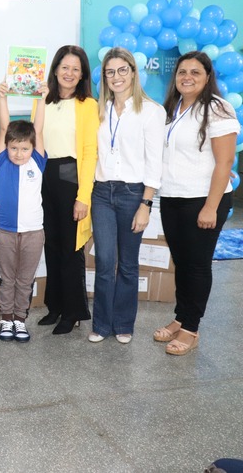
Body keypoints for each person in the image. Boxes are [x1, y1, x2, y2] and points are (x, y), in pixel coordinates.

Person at [155, 51, 239, 355]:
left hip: (203, 199)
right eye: (182, 72)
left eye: (195, 72)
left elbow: (225, 161)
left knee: (198, 265)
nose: (187, 78)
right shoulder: (172, 108)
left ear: (207, 77)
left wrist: (210, 206)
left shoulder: (218, 108)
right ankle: (181, 317)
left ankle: (191, 328)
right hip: (172, 196)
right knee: (182, 262)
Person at [89, 48, 165, 345]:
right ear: (104, 77)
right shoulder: (99, 109)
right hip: (102, 192)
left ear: (133, 72)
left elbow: (154, 162)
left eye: (122, 70)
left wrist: (145, 204)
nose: (116, 77)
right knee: (105, 261)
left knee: (129, 264)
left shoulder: (151, 111)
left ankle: (123, 324)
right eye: (110, 72)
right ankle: (101, 324)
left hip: (134, 193)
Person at [35, 45, 99, 334]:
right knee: (52, 244)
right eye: (65, 67)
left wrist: (83, 197)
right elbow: (36, 138)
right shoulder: (43, 100)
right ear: (55, 69)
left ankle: (73, 312)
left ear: (82, 73)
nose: (69, 73)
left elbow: (90, 153)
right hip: (45, 176)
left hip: (72, 177)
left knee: (71, 248)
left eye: (76, 68)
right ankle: (55, 306)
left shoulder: (88, 105)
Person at [0, 82, 48, 342]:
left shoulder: (37, 161)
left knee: (25, 279)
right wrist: (2, 98)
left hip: (33, 232)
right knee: (8, 278)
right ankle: (6, 319)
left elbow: (38, 128)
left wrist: (44, 97)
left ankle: (20, 319)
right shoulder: (2, 160)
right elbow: (4, 127)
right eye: (14, 147)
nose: (18, 153)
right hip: (5, 231)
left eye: (24, 148)